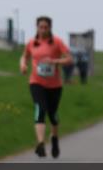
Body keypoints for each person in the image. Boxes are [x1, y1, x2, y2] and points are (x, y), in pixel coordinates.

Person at [20, 16, 73, 158]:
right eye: (40, 27)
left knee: (53, 115)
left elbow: (69, 59)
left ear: (50, 28)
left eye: (46, 27)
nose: (43, 29)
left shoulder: (57, 42)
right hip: (36, 82)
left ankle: (54, 139)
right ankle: (41, 144)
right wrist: (23, 65)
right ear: (37, 27)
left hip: (54, 85)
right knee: (40, 109)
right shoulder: (32, 43)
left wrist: (54, 61)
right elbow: (24, 56)